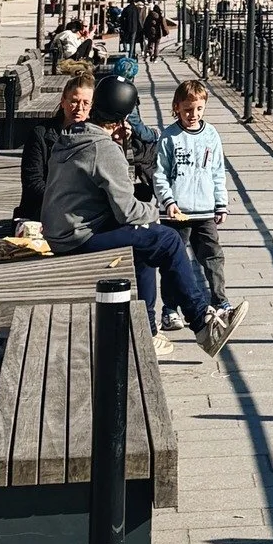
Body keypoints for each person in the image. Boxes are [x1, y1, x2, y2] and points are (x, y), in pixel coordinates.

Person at [41, 71, 248, 359]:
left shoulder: (74, 136)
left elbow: (107, 186)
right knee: (167, 240)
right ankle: (203, 325)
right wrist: (160, 212)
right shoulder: (103, 148)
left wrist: (122, 150)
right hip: (78, 237)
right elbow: (127, 211)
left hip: (63, 230)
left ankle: (148, 330)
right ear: (122, 118)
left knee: (146, 246)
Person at [152, 79, 230, 312]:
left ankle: (219, 299)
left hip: (205, 210)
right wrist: (168, 201)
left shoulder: (211, 135)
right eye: (187, 109)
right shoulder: (169, 137)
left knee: (213, 257)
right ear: (177, 107)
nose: (193, 114)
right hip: (178, 211)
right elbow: (160, 173)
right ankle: (170, 308)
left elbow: (217, 170)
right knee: (174, 260)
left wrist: (221, 204)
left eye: (198, 109)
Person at [17, 71, 93, 226]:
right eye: (74, 101)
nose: (79, 108)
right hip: (44, 209)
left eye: (85, 103)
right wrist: (67, 201)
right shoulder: (41, 134)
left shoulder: (95, 136)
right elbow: (32, 182)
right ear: (63, 101)